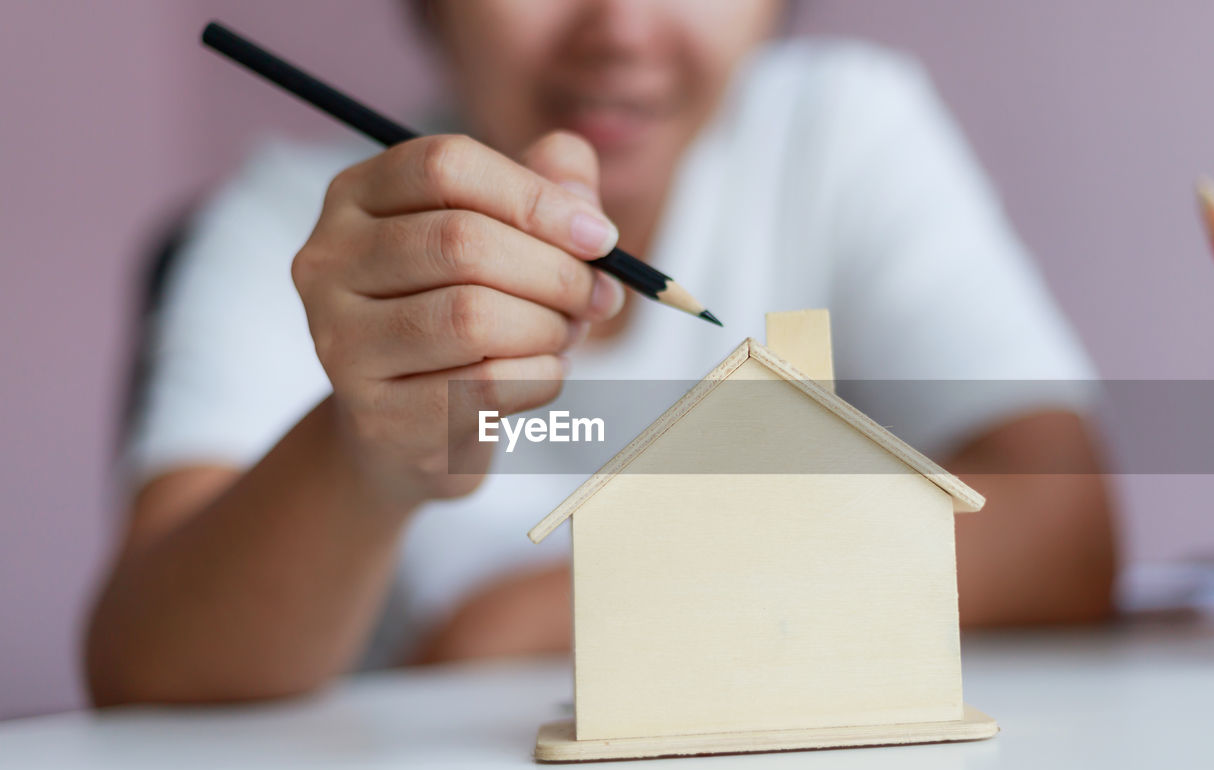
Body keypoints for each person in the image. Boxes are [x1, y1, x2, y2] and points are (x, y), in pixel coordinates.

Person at [86, 0, 1116, 706]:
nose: (619, 29)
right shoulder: (287, 223)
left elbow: (1062, 525)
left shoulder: (841, 127)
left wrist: (531, 619)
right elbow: (142, 671)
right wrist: (368, 455)